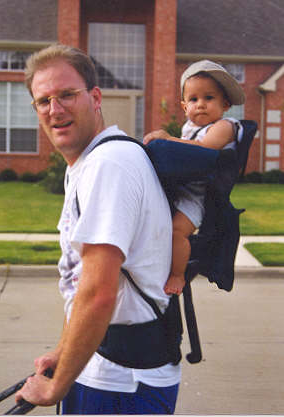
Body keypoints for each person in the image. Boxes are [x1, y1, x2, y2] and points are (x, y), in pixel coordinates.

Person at [15, 43, 181, 415]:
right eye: (43, 101)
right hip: (107, 370)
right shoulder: (91, 163)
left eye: (67, 95)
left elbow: (98, 294)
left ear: (95, 97)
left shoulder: (110, 164)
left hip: (121, 385)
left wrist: (56, 386)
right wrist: (63, 352)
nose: (55, 110)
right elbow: (79, 280)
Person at [144, 60, 245, 296]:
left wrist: (167, 141)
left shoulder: (226, 126)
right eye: (193, 99)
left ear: (225, 104)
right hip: (179, 189)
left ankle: (177, 276)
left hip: (198, 196)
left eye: (209, 98)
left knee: (176, 232)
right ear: (183, 106)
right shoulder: (188, 128)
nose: (200, 105)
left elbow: (205, 148)